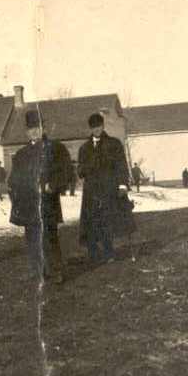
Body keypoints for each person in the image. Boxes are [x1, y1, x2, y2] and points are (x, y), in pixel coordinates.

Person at [9, 109, 73, 285]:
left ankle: (56, 271)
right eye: (31, 129)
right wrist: (16, 194)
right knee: (32, 239)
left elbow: (67, 171)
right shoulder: (21, 154)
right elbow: (14, 179)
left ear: (43, 128)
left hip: (48, 202)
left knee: (50, 237)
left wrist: (53, 185)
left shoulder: (55, 148)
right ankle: (38, 272)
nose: (34, 131)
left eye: (37, 127)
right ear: (26, 131)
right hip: (29, 204)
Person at [77, 112, 132, 265]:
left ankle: (109, 252)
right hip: (91, 192)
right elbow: (80, 170)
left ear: (103, 126)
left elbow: (121, 165)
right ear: (90, 128)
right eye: (94, 127)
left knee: (107, 221)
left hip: (108, 189)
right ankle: (93, 254)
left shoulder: (114, 144)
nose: (97, 130)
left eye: (99, 126)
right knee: (92, 222)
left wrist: (122, 184)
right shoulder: (85, 148)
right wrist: (84, 169)